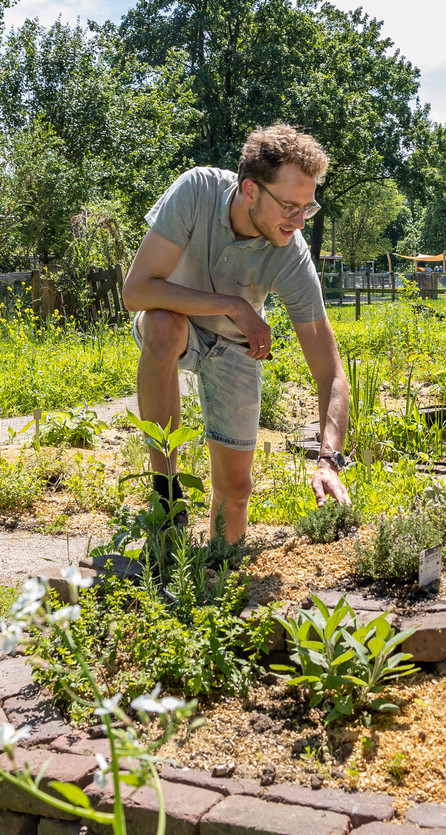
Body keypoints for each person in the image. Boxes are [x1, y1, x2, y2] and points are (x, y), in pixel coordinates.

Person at [122, 123, 350, 543]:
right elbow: (136, 291)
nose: (299, 222)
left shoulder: (291, 255)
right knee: (162, 324)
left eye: (308, 208)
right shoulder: (196, 193)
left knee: (237, 491)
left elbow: (331, 372)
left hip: (234, 349)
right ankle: (166, 498)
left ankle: (219, 571)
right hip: (179, 324)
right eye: (288, 207)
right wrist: (233, 306)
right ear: (250, 191)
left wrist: (329, 459)